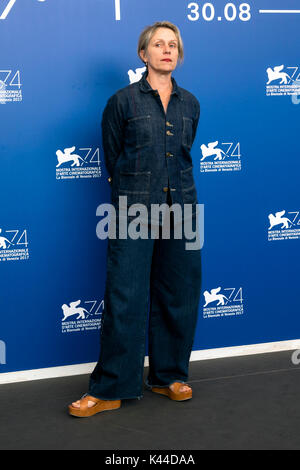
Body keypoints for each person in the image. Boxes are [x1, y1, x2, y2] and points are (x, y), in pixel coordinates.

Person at [68, 20, 202, 418]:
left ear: (178, 54)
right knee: (125, 297)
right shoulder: (122, 102)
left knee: (179, 295)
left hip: (184, 209)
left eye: (173, 44)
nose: (167, 50)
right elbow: (114, 160)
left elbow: (182, 154)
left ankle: (168, 376)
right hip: (132, 209)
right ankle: (110, 387)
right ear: (143, 54)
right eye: (158, 44)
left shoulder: (191, 104)